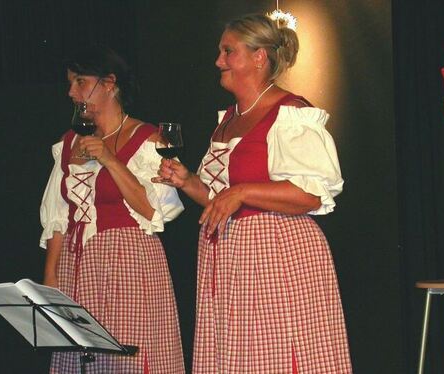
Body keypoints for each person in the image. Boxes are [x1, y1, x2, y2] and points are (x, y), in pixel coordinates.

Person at [154, 14, 352, 373]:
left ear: (259, 57)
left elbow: (311, 195)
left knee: (276, 357)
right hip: (230, 257)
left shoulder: (290, 114)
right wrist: (188, 182)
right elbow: (220, 201)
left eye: (229, 51)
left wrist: (242, 191)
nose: (218, 61)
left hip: (276, 253)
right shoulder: (228, 119)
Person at [39, 45, 185, 373]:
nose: (71, 92)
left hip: (127, 260)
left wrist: (108, 158)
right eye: (70, 83)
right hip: (77, 264)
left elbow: (152, 209)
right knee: (80, 360)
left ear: (108, 83)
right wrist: (51, 275)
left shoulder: (149, 139)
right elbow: (59, 214)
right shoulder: (68, 143)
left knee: (125, 360)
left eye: (80, 82)